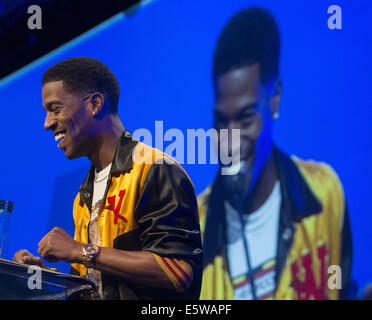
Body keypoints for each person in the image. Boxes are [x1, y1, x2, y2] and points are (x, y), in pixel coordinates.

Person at [198, 7, 356, 300]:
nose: (230, 142)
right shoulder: (190, 232)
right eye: (221, 122)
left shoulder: (324, 192)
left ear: (275, 97)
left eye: (245, 118)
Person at [13, 57, 202, 300]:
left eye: (55, 108)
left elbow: (178, 271)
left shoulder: (154, 168)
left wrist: (79, 250)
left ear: (95, 103)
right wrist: (47, 279)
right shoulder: (83, 197)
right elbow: (94, 286)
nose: (47, 123)